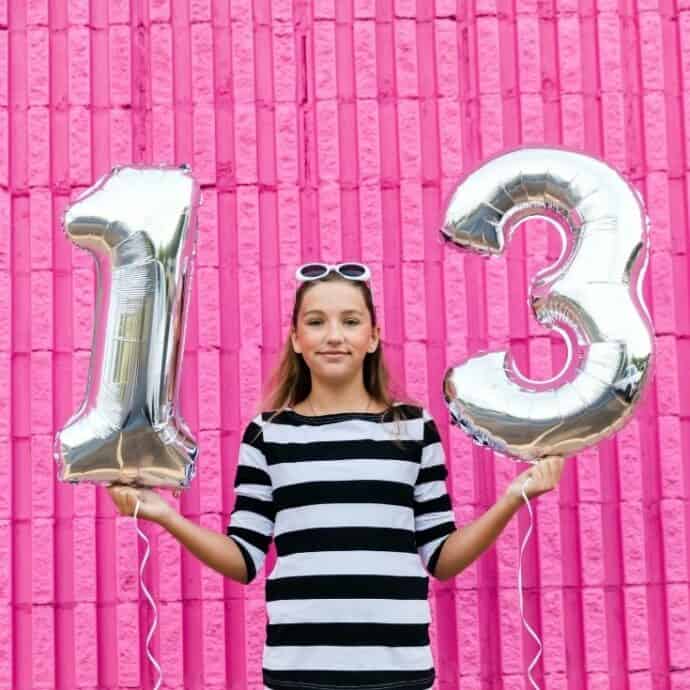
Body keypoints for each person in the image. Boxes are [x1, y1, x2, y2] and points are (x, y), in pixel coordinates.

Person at [108, 262, 565, 690]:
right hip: (299, 672)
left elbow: (441, 556)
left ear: (372, 337)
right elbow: (244, 558)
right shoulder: (268, 434)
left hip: (398, 672)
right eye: (315, 322)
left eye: (350, 321)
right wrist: (163, 515)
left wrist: (512, 498)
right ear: (295, 338)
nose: (333, 336)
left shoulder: (413, 428)